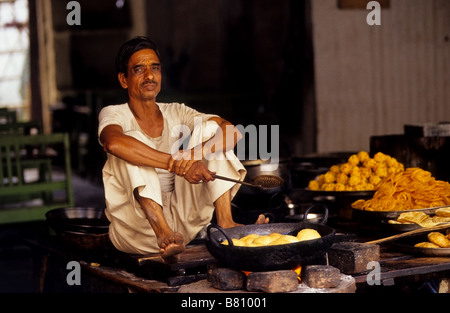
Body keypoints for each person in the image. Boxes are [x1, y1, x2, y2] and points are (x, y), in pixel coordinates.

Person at [98, 36, 268, 263]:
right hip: (137, 231)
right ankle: (164, 236)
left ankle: (226, 223)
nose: (149, 75)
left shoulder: (176, 111)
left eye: (155, 68)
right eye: (139, 69)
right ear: (124, 79)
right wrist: (175, 164)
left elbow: (233, 132)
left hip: (184, 228)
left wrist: (193, 155)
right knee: (129, 144)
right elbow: (113, 143)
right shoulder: (113, 113)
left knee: (211, 130)